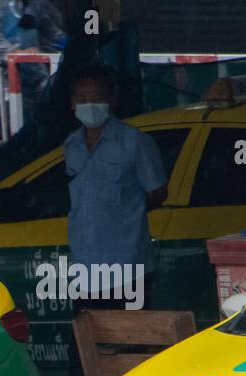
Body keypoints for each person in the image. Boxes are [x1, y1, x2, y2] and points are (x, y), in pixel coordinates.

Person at [64, 63, 167, 312]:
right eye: (82, 99)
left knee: (130, 343)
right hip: (85, 268)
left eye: (97, 98)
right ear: (72, 104)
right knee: (87, 345)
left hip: (127, 267)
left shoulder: (135, 142)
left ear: (111, 101)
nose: (89, 105)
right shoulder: (71, 146)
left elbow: (158, 192)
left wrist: (125, 213)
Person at [0, 0, 64, 144]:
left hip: (29, 74)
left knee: (48, 117)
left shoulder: (37, 4)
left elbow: (52, 35)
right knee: (11, 121)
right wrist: (16, 52)